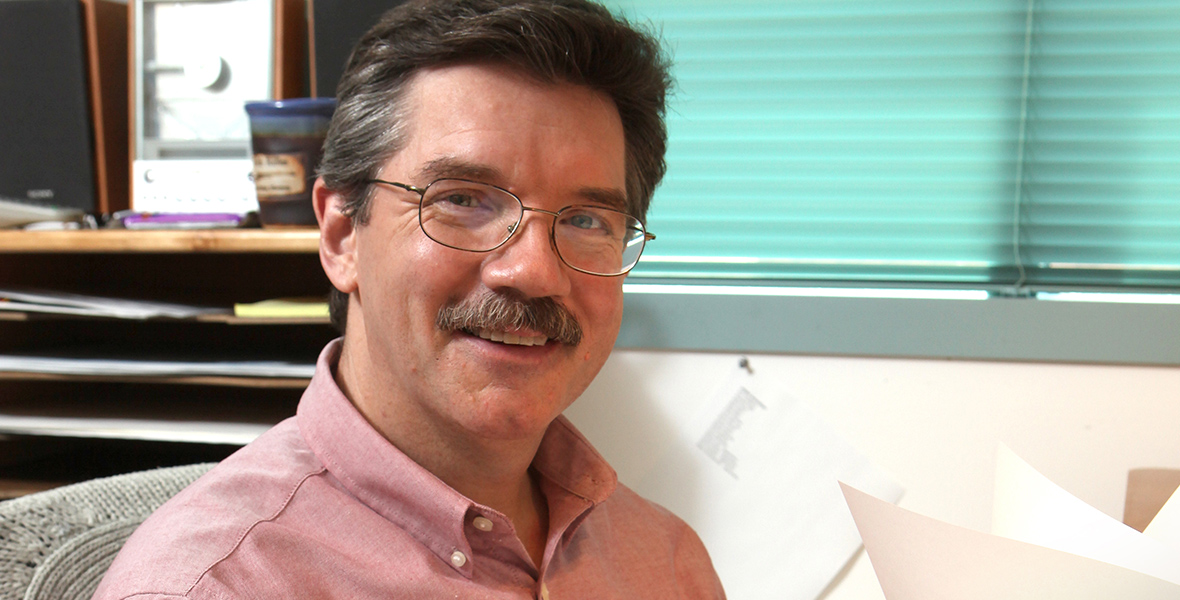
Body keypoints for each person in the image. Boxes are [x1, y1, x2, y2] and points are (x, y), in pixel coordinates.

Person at [94, 0, 725, 598]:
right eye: (462, 199)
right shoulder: (206, 585)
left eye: (587, 220)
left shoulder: (667, 562)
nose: (533, 272)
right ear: (342, 235)